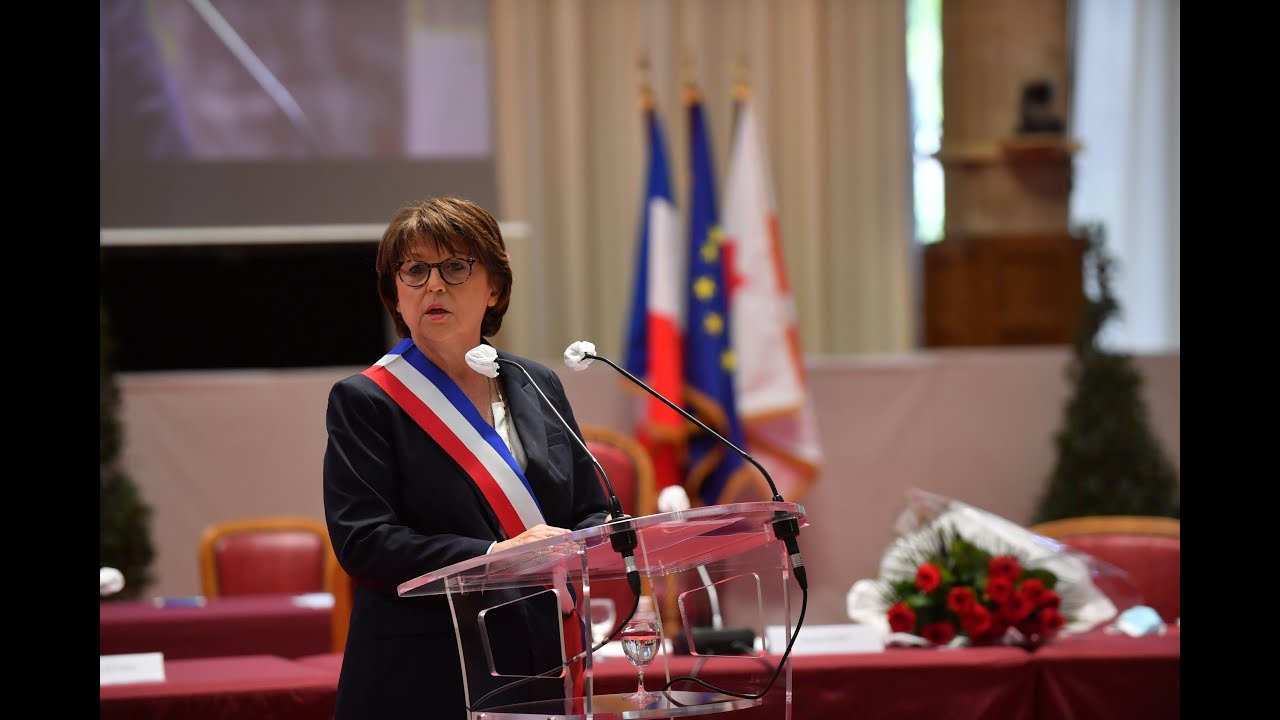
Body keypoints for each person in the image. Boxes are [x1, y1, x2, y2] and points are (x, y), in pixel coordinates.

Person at [323, 196, 612, 719]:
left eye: (455, 267)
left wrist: (591, 546)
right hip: (425, 672)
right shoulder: (367, 400)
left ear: (494, 288)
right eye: (414, 270)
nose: (433, 285)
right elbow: (364, 541)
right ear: (395, 291)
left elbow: (592, 508)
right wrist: (497, 555)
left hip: (538, 656)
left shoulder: (535, 383)